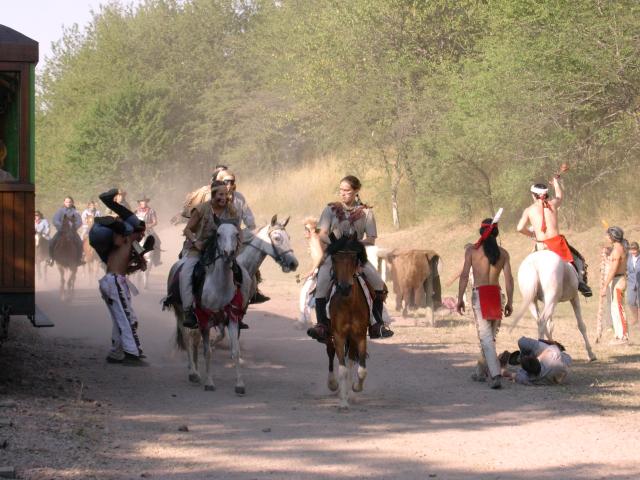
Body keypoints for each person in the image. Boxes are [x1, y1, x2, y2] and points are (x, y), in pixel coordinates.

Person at [307, 175, 394, 343]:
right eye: (341, 190)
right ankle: (322, 325)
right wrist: (337, 244)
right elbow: (322, 233)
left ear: (356, 191)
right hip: (335, 256)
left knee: (377, 283)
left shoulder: (366, 212)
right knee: (322, 282)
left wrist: (354, 244)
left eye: (346, 190)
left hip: (357, 256)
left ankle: (377, 324)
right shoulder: (330, 210)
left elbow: (371, 238)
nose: (343, 194)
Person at [456, 216, 514, 390]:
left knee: (486, 338)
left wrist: (459, 298)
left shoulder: (472, 252)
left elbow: (465, 276)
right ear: (496, 233)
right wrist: (510, 301)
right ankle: (480, 372)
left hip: (480, 295)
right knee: (489, 337)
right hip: (496, 294)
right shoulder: (503, 253)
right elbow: (509, 279)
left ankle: (495, 374)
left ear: (482, 232)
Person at [516, 177, 592, 297]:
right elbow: (559, 196)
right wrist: (556, 183)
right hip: (557, 244)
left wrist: (533, 234)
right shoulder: (553, 204)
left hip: (541, 245)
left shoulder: (529, 210)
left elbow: (520, 228)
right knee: (578, 259)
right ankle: (581, 284)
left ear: (534, 195)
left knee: (528, 265)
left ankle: (527, 288)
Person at [180, 180, 240, 329]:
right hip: (199, 248)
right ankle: (188, 311)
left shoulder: (231, 210)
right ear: (213, 195)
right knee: (186, 273)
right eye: (221, 194)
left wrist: (238, 245)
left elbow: (238, 230)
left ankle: (239, 307)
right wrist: (195, 242)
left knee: (242, 273)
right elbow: (187, 230)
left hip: (224, 250)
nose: (224, 198)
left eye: (226, 194)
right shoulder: (200, 209)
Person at [98, 216, 148, 364]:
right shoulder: (124, 239)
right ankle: (131, 353)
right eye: (141, 233)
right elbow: (119, 237)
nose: (143, 236)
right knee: (127, 319)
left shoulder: (132, 245)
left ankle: (115, 352)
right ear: (134, 232)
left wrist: (139, 264)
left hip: (115, 281)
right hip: (114, 282)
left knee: (123, 319)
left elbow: (125, 269)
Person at [90, 188, 146, 264]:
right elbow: (106, 214)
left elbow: (129, 214)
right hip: (113, 222)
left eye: (122, 195)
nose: (121, 197)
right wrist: (114, 216)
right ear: (116, 196)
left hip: (123, 221)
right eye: (119, 195)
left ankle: (139, 253)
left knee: (132, 234)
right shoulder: (110, 206)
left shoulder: (126, 204)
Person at [502, 337, 572, 385]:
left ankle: (520, 357)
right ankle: (521, 357)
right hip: (562, 360)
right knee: (523, 342)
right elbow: (553, 347)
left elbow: (509, 374)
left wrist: (501, 370)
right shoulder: (553, 355)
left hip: (558, 367)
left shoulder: (527, 378)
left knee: (522, 342)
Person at [297, 217, 326, 328]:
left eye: (307, 229)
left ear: (312, 230)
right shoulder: (313, 238)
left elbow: (320, 256)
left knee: (305, 293)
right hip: (319, 269)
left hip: (319, 270)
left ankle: (303, 319)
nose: (305, 232)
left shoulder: (314, 238)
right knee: (308, 294)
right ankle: (306, 319)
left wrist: (312, 271)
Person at [602, 226, 629, 343]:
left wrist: (604, 285)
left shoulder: (618, 250)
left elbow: (613, 270)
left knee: (618, 308)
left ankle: (623, 336)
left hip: (619, 281)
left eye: (608, 235)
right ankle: (618, 335)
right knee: (614, 308)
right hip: (618, 280)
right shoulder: (618, 248)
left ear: (613, 236)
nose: (607, 237)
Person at [48, 196, 83, 266]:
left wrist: (73, 227)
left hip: (72, 232)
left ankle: (79, 259)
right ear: (64, 202)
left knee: (80, 243)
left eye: (70, 202)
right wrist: (62, 226)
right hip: (61, 232)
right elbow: (55, 220)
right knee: (51, 242)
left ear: (72, 203)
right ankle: (51, 259)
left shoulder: (75, 212)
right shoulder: (60, 211)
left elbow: (79, 221)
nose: (68, 203)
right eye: (67, 202)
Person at [135, 196, 162, 266]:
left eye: (144, 201)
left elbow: (155, 222)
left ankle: (156, 261)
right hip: (138, 230)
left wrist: (147, 226)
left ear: (146, 202)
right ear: (139, 203)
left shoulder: (151, 211)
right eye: (141, 201)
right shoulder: (136, 211)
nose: (143, 202)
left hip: (149, 230)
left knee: (158, 242)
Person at [626, 241, 640, 327]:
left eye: (635, 250)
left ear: (638, 249)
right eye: (631, 250)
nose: (633, 252)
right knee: (631, 301)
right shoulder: (628, 257)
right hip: (631, 283)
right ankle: (635, 318)